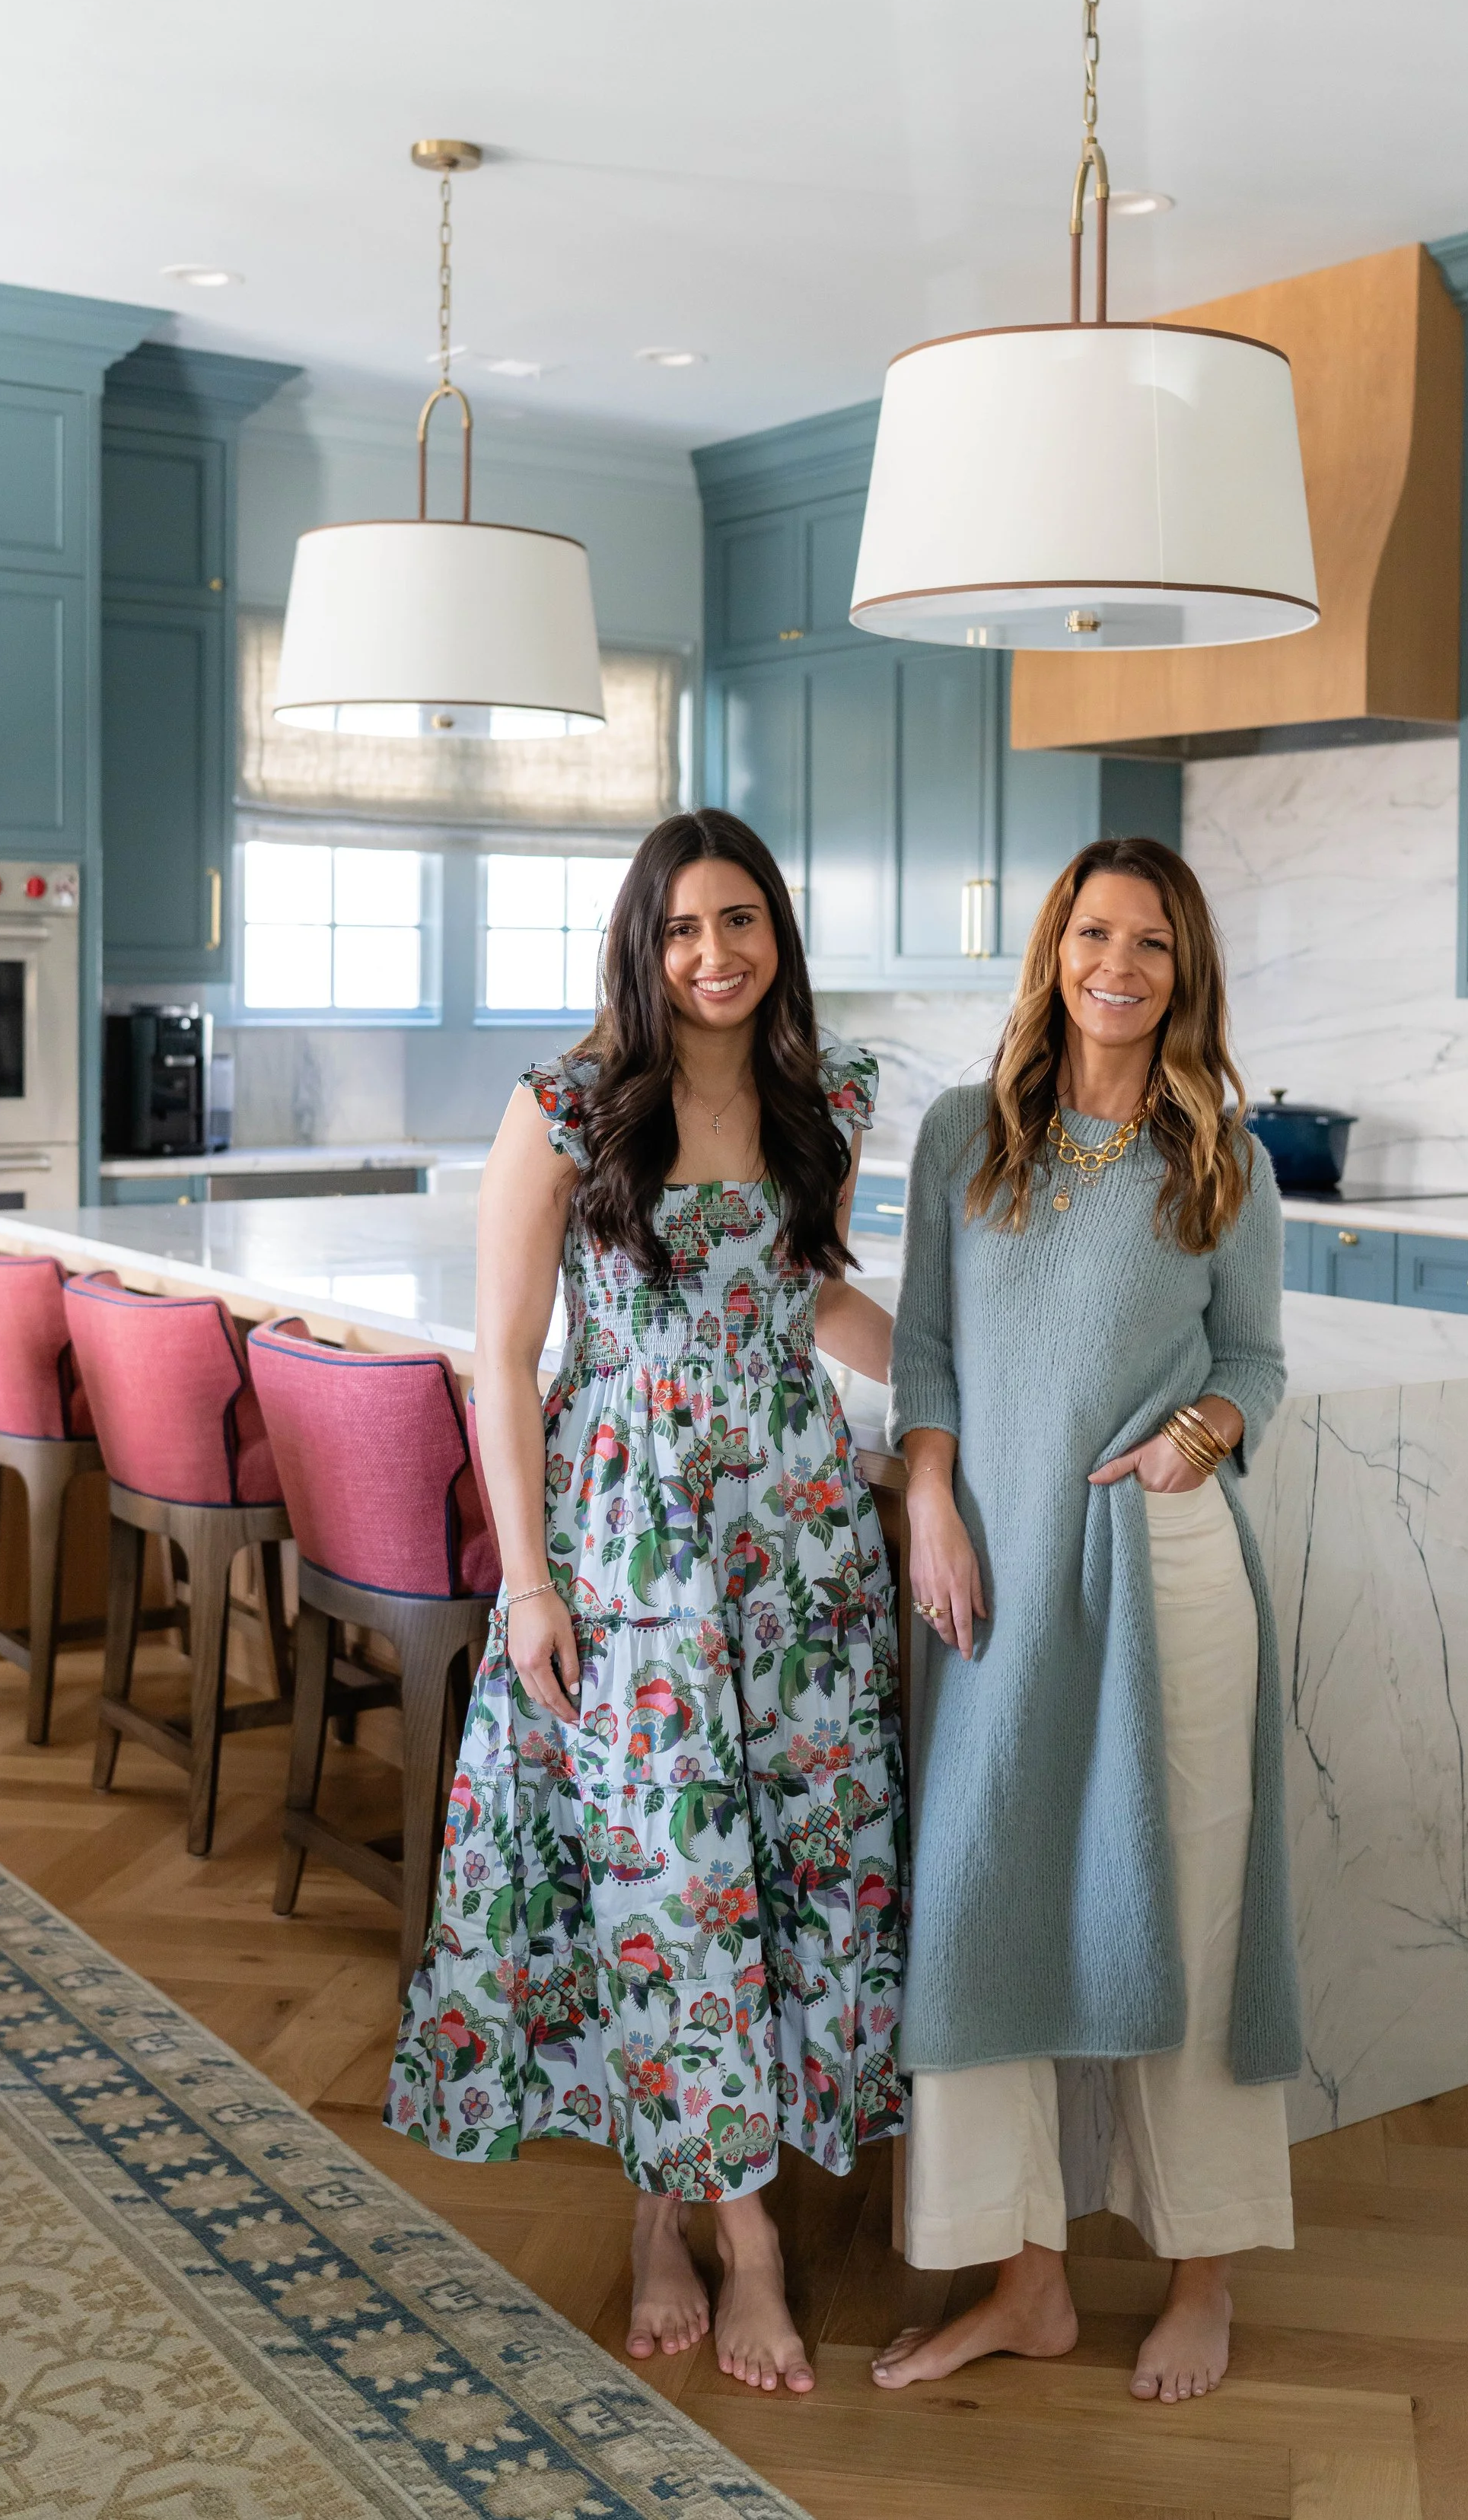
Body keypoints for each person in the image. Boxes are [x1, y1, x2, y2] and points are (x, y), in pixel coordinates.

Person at [387, 808, 905, 2398]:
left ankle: (676, 2218)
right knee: (665, 1879)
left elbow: (799, 1286)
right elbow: (505, 1352)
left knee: (776, 1870)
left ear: (777, 932)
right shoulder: (562, 1108)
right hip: (631, 1544)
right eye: (682, 929)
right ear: (639, 940)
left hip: (798, 1542)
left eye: (740, 921)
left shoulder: (827, 1100)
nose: (713, 955)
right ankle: (714, 2241)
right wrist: (524, 1580)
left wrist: (960, 1391)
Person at [871, 835, 1299, 2407]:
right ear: (1053, 947)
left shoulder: (1223, 1161)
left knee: (1183, 1916)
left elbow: (1251, 1366)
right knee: (981, 1906)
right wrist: (927, 1499)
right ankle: (1024, 2282)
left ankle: (1202, 2273)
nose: (1117, 966)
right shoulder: (957, 1138)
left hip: (1165, 1575)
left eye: (1152, 946)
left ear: (1183, 975)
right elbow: (922, 1347)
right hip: (987, 1580)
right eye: (1093, 933)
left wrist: (1198, 1439)